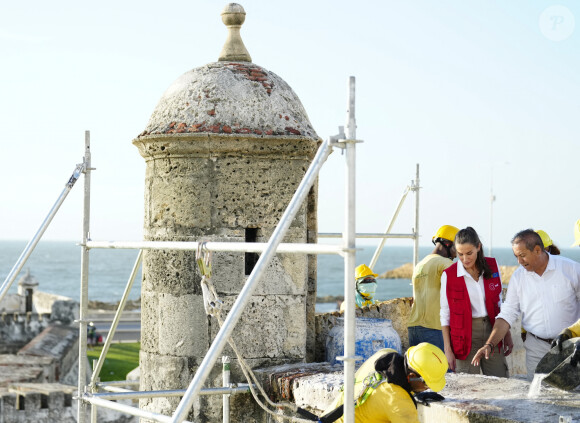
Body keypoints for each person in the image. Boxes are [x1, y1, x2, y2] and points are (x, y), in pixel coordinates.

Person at [471, 229, 580, 379]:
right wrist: (489, 344)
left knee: (573, 397)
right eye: (516, 257)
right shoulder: (518, 277)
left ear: (537, 250)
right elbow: (507, 314)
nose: (519, 262)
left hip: (571, 346)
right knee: (537, 398)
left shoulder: (571, 269)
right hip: (536, 349)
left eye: (522, 256)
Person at [440, 226, 512, 377]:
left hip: (493, 329)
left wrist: (507, 334)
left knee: (499, 382)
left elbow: (499, 303)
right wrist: (447, 349)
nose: (465, 259)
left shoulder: (492, 265)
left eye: (469, 253)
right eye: (460, 254)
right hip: (464, 335)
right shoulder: (449, 275)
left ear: (478, 247)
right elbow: (445, 314)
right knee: (467, 387)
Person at [321, 343, 448, 423]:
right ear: (412, 376)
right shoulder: (400, 404)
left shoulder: (384, 355)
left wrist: (411, 392)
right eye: (426, 384)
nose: (427, 388)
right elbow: (391, 398)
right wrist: (406, 397)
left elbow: (380, 395)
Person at [407, 225, 458, 351]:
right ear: (447, 243)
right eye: (457, 247)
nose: (458, 253)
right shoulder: (446, 264)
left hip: (413, 327)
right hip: (434, 328)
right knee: (442, 369)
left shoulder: (420, 264)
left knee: (418, 369)